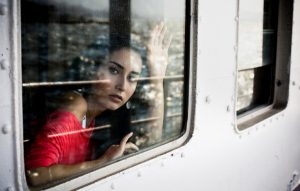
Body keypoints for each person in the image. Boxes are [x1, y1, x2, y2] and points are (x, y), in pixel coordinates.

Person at [25, 23, 172, 186]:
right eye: (114, 71)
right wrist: (103, 162)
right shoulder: (75, 106)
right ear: (91, 70)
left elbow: (153, 140)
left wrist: (157, 82)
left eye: (132, 78)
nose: (122, 85)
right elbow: (35, 175)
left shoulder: (99, 117)